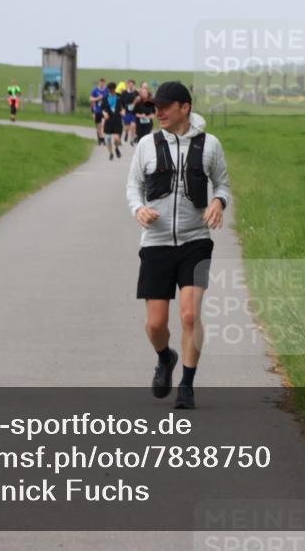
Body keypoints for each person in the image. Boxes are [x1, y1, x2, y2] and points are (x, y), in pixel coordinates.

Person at [125, 81, 231, 410]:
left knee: (189, 316)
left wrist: (218, 202)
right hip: (155, 243)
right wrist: (138, 208)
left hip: (195, 242)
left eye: (165, 107)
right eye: (155, 107)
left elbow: (223, 184)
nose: (158, 113)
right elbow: (133, 187)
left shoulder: (210, 145)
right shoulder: (146, 144)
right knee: (156, 324)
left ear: (185, 107)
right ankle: (164, 357)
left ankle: (187, 384)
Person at [102, 82, 123, 160]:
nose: (111, 92)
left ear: (115, 89)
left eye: (113, 90)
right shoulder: (105, 98)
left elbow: (123, 107)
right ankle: (111, 153)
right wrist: (104, 114)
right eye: (110, 90)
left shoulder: (119, 98)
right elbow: (102, 109)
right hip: (108, 120)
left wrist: (123, 111)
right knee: (108, 139)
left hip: (117, 120)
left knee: (116, 138)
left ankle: (117, 148)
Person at [120, 79, 139, 145]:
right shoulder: (124, 93)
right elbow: (121, 103)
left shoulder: (136, 93)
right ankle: (126, 133)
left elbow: (139, 102)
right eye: (129, 84)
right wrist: (122, 110)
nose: (131, 86)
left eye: (132, 85)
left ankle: (132, 140)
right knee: (127, 127)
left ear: (134, 85)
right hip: (126, 112)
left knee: (133, 125)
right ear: (127, 85)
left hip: (134, 112)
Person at [90, 78, 109, 145]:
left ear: (105, 83)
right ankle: (99, 138)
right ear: (99, 83)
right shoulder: (95, 90)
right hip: (97, 110)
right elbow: (91, 99)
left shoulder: (107, 90)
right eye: (101, 82)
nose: (102, 84)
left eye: (103, 83)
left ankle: (102, 138)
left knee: (103, 124)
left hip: (104, 109)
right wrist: (98, 98)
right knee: (98, 126)